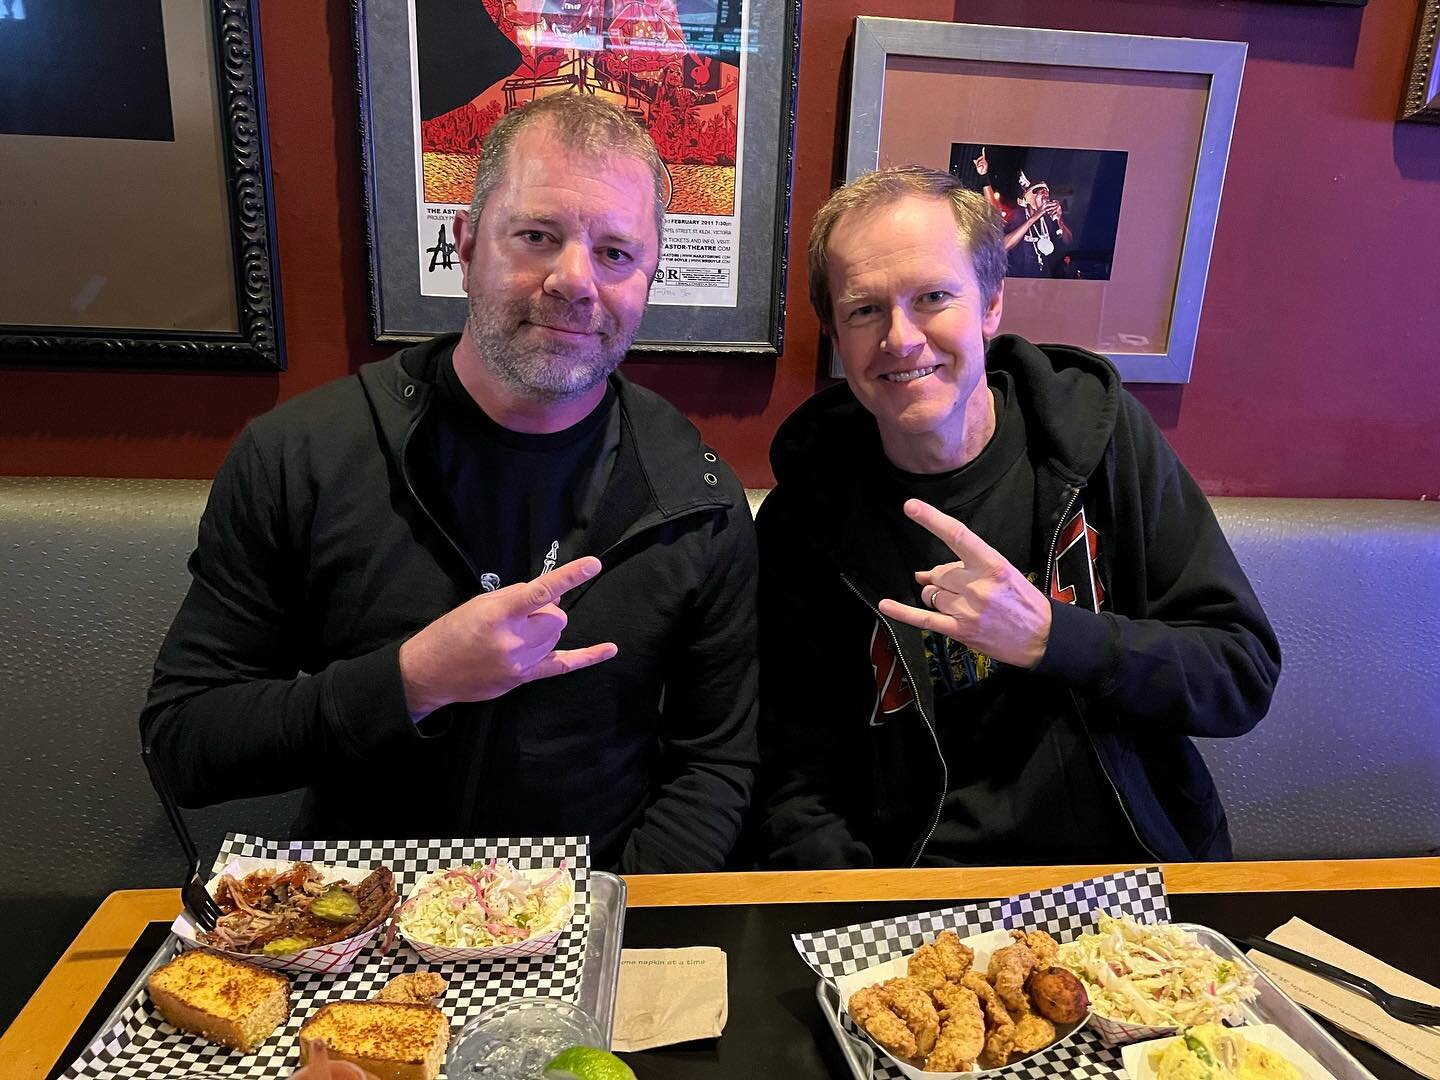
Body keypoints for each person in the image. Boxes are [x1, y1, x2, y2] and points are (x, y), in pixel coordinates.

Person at [140, 93, 758, 874]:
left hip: (591, 916)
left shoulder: (694, 498)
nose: (575, 280)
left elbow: (715, 765)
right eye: (536, 236)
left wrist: (615, 929)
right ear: (465, 245)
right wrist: (413, 680)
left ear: (646, 276)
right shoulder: (303, 454)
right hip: (356, 926)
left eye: (615, 253)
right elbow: (186, 743)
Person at [756, 166, 1279, 869]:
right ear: (837, 335)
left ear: (991, 305)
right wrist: (863, 924)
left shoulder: (1098, 438)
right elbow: (794, 778)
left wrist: (1050, 636)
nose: (900, 338)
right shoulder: (805, 517)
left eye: (933, 297)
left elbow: (1237, 676)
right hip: (915, 898)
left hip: (1128, 879)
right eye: (864, 310)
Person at [970, 149, 1073, 278]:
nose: (1046, 194)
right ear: (1030, 197)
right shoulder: (1017, 216)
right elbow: (1004, 245)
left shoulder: (1049, 219)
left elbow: (1068, 242)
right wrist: (983, 176)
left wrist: (1060, 220)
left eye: (1047, 192)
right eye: (1041, 191)